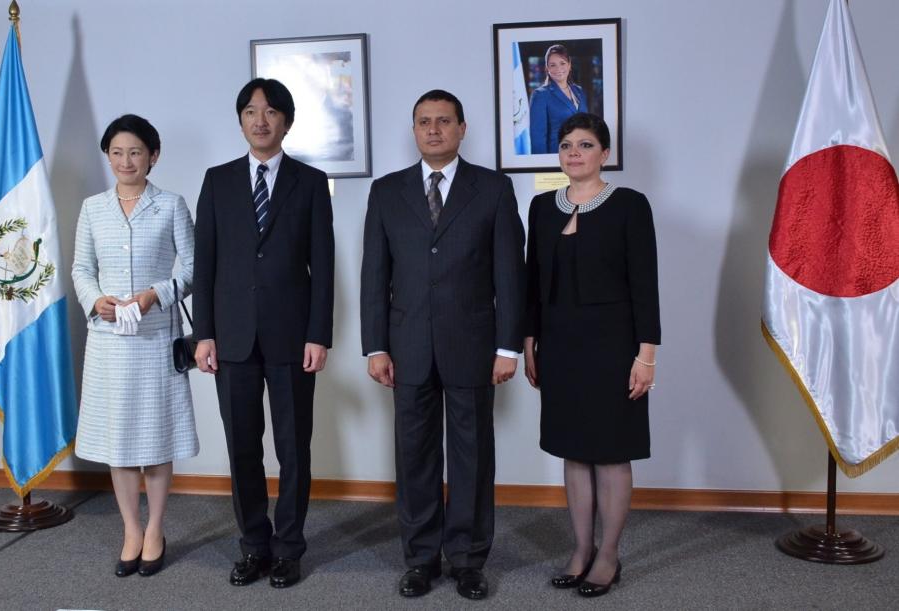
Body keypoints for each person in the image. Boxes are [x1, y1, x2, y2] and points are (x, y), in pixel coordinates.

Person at [360, 89, 526, 600]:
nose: (433, 130)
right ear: (414, 130)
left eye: (443, 121)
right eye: (423, 122)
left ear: (462, 128)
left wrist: (509, 346)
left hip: (473, 345)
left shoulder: (493, 189)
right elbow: (374, 275)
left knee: (474, 454)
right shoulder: (387, 192)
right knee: (414, 456)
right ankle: (420, 558)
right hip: (406, 346)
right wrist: (375, 347)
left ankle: (469, 559)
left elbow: (509, 274)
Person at [192, 78, 334, 589]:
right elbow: (204, 264)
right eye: (251, 111)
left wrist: (319, 336)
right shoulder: (218, 180)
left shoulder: (311, 183)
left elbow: (324, 265)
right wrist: (203, 334)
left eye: (271, 111)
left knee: (294, 448)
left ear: (287, 121)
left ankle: (289, 548)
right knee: (242, 448)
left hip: (293, 339)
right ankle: (254, 544)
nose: (260, 119)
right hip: (231, 340)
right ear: (240, 120)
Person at [523, 112, 660, 598]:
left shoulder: (629, 206)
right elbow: (532, 285)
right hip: (558, 345)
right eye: (565, 145)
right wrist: (528, 341)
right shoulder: (541, 207)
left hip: (613, 346)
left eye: (584, 144)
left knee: (611, 451)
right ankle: (581, 550)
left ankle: (609, 554)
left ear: (604, 153)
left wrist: (646, 356)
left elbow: (645, 286)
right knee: (575, 451)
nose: (573, 153)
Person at [72, 114, 198, 578]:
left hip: (153, 339)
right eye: (117, 152)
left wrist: (154, 294)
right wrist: (96, 300)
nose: (127, 160)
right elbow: (81, 268)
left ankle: (156, 529)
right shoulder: (92, 208)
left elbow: (192, 268)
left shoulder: (170, 206)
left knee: (154, 438)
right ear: (107, 156)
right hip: (108, 342)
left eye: (136, 152)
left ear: (153, 156)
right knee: (118, 441)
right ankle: (130, 529)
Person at [529, 44, 588, 154]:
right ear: (547, 68)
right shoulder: (540, 95)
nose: (558, 69)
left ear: (569, 65)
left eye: (562, 63)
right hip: (556, 157)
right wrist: (544, 166)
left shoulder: (579, 92)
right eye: (553, 65)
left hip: (581, 157)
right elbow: (538, 139)